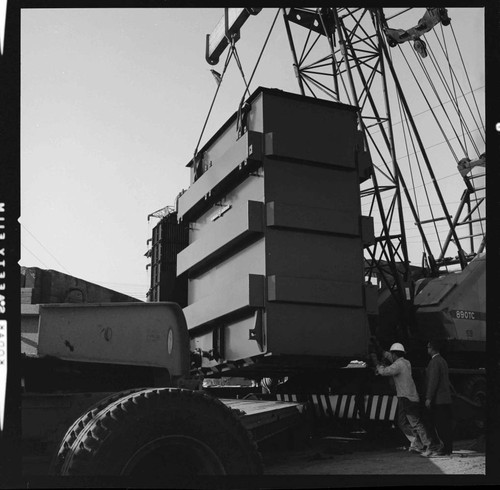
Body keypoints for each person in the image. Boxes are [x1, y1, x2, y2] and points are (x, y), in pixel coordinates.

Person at [372, 342, 439, 456]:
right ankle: (418, 444)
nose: (391, 356)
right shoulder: (406, 362)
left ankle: (429, 446)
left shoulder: (398, 365)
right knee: (402, 422)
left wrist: (377, 363)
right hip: (406, 397)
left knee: (415, 423)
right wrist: (382, 351)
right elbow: (392, 358)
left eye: (391, 354)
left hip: (407, 398)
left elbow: (384, 372)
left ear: (394, 355)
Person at [424, 339, 453, 456]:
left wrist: (428, 398)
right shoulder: (443, 361)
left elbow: (433, 381)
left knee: (439, 425)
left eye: (428, 347)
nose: (427, 349)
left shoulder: (434, 362)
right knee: (445, 425)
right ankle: (448, 449)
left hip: (438, 400)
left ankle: (442, 449)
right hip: (445, 399)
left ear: (432, 348)